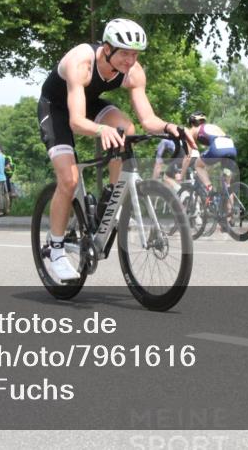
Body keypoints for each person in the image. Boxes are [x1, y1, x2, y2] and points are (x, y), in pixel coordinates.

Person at [36, 18, 195, 281]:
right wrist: (101, 130)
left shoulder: (133, 72)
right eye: (124, 53)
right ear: (107, 48)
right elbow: (75, 122)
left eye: (135, 54)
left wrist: (171, 127)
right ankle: (56, 250)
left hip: (90, 104)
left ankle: (111, 196)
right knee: (69, 179)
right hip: (56, 109)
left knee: (127, 128)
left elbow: (148, 120)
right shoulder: (81, 62)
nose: (130, 61)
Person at [181, 111, 237, 220]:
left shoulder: (191, 131)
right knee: (227, 185)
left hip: (218, 148)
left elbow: (188, 156)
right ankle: (229, 219)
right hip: (231, 148)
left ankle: (210, 189)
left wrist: (182, 174)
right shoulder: (212, 127)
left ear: (191, 122)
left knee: (198, 165)